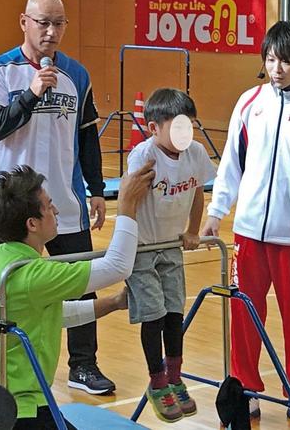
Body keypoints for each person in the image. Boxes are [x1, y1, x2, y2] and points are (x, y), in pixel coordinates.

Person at [202, 21, 290, 429]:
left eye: (285, 60)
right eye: (270, 59)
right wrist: (217, 213)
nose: (277, 68)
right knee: (245, 315)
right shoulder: (249, 103)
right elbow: (230, 165)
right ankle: (246, 389)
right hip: (247, 234)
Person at [0, 0, 113, 394]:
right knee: (10, 288)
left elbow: (87, 138)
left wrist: (98, 190)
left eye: (59, 24)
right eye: (43, 23)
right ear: (24, 22)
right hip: (15, 209)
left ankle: (84, 366)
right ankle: (3, 361)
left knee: (80, 283)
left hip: (64, 206)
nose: (51, 32)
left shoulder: (77, 75)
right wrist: (32, 94)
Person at [0, 162, 154, 429]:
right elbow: (118, 266)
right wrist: (127, 204)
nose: (55, 210)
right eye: (48, 205)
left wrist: (113, 303)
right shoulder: (32, 275)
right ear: (32, 223)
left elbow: (50, 316)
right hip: (18, 406)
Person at [126, 88, 216, 423]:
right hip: (143, 248)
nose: (185, 134)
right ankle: (157, 380)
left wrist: (193, 231)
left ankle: (175, 376)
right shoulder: (143, 157)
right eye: (177, 127)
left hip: (170, 247)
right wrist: (126, 247)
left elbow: (196, 194)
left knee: (174, 312)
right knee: (154, 314)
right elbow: (128, 202)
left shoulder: (195, 153)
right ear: (153, 128)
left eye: (189, 126)